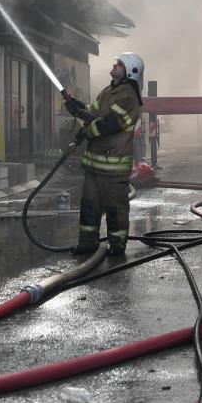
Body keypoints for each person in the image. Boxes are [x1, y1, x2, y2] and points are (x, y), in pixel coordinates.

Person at [63, 52, 144, 258]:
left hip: (114, 170)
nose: (114, 65)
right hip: (94, 166)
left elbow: (111, 123)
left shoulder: (130, 96)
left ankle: (117, 247)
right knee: (89, 206)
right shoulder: (108, 91)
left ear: (130, 71)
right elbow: (93, 113)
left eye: (119, 64)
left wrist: (87, 130)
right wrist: (77, 108)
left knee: (116, 210)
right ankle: (87, 243)